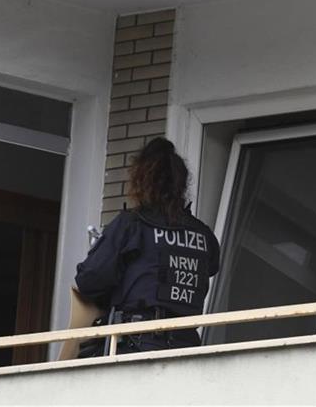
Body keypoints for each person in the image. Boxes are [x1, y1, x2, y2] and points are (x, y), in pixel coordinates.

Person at [74, 137, 220, 355]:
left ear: (142, 180)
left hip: (137, 345)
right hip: (187, 348)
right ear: (181, 184)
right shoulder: (203, 234)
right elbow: (211, 267)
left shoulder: (131, 225)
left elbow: (90, 280)